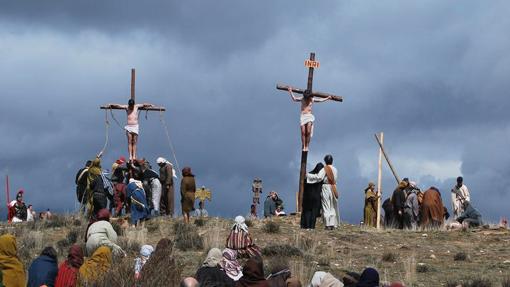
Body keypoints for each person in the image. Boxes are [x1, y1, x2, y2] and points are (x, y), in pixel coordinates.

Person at [287, 87, 332, 151]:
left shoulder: (312, 99)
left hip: (309, 116)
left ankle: (307, 146)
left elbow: (319, 100)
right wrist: (290, 91)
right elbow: (294, 99)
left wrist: (327, 98)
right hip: (303, 116)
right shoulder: (302, 99)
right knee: (303, 132)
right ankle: (304, 146)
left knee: (308, 131)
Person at [307, 154, 339, 230]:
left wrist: (309, 176)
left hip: (326, 187)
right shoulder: (335, 169)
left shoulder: (325, 169)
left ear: (325, 161)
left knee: (326, 206)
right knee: (332, 206)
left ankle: (328, 225)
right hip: (334, 187)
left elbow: (319, 177)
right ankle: (333, 224)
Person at [301, 163, 324, 229]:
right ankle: (312, 227)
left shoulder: (309, 174)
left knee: (308, 211)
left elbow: (304, 185)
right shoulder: (320, 177)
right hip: (316, 197)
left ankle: (307, 226)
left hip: (308, 196)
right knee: (314, 212)